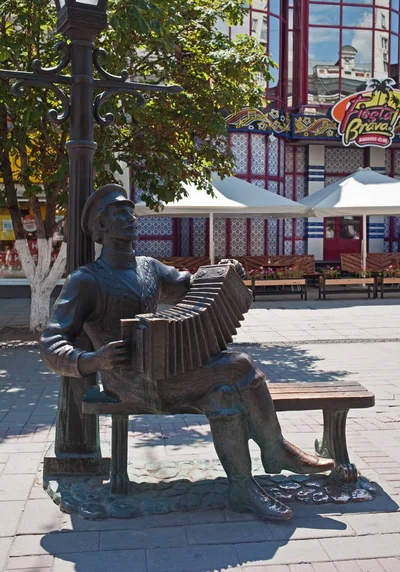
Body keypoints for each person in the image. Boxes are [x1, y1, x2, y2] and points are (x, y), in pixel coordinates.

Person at [40, 184, 334, 522]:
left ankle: (242, 489)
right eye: (121, 212)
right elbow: (51, 341)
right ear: (101, 227)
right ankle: (275, 448)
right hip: (127, 382)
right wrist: (91, 360)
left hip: (167, 374)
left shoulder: (149, 267)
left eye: (131, 211)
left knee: (223, 394)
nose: (131, 217)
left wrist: (227, 274)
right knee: (239, 365)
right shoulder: (86, 280)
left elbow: (193, 284)